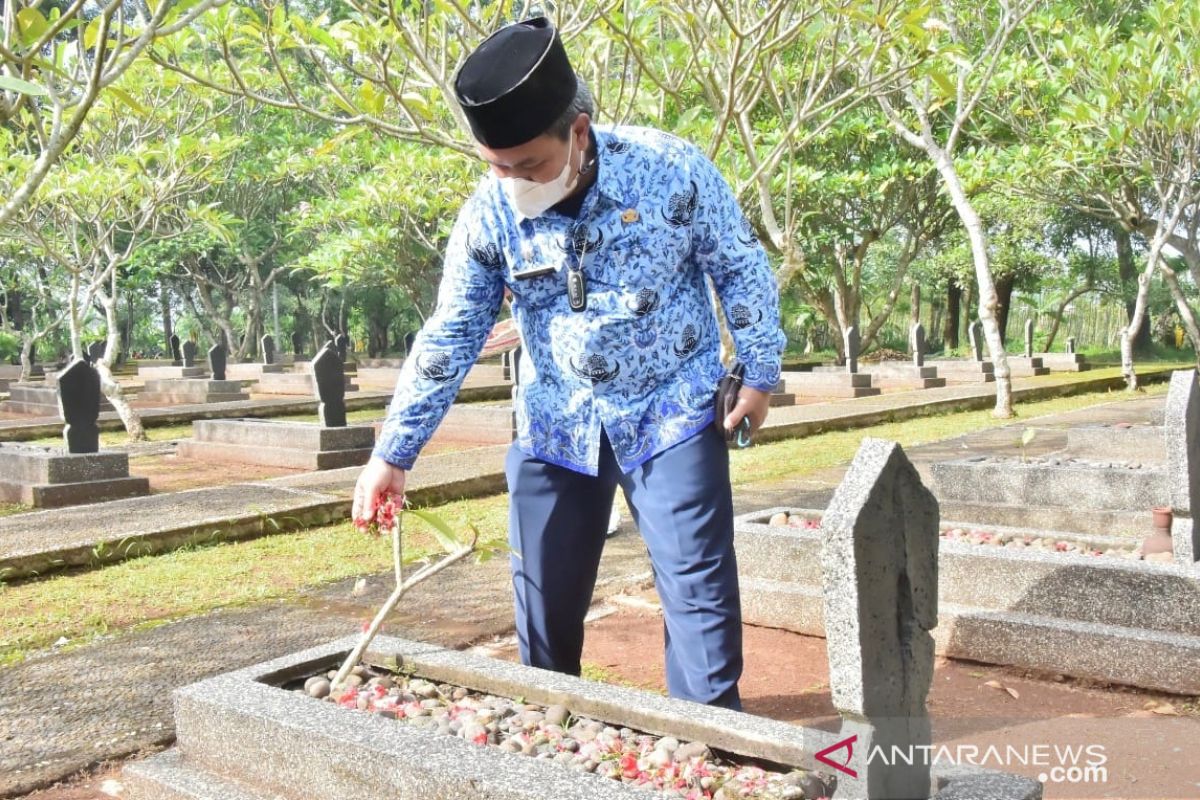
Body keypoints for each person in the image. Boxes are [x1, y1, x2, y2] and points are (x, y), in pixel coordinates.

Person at [352, 17, 785, 710]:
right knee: (543, 621)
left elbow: (738, 264)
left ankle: (713, 747)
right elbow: (453, 332)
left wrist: (760, 370)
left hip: (669, 409)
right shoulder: (488, 216)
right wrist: (393, 453)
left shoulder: (670, 171)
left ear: (578, 131)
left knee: (699, 598)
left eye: (528, 166)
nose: (512, 182)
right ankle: (553, 747)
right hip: (556, 425)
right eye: (496, 166)